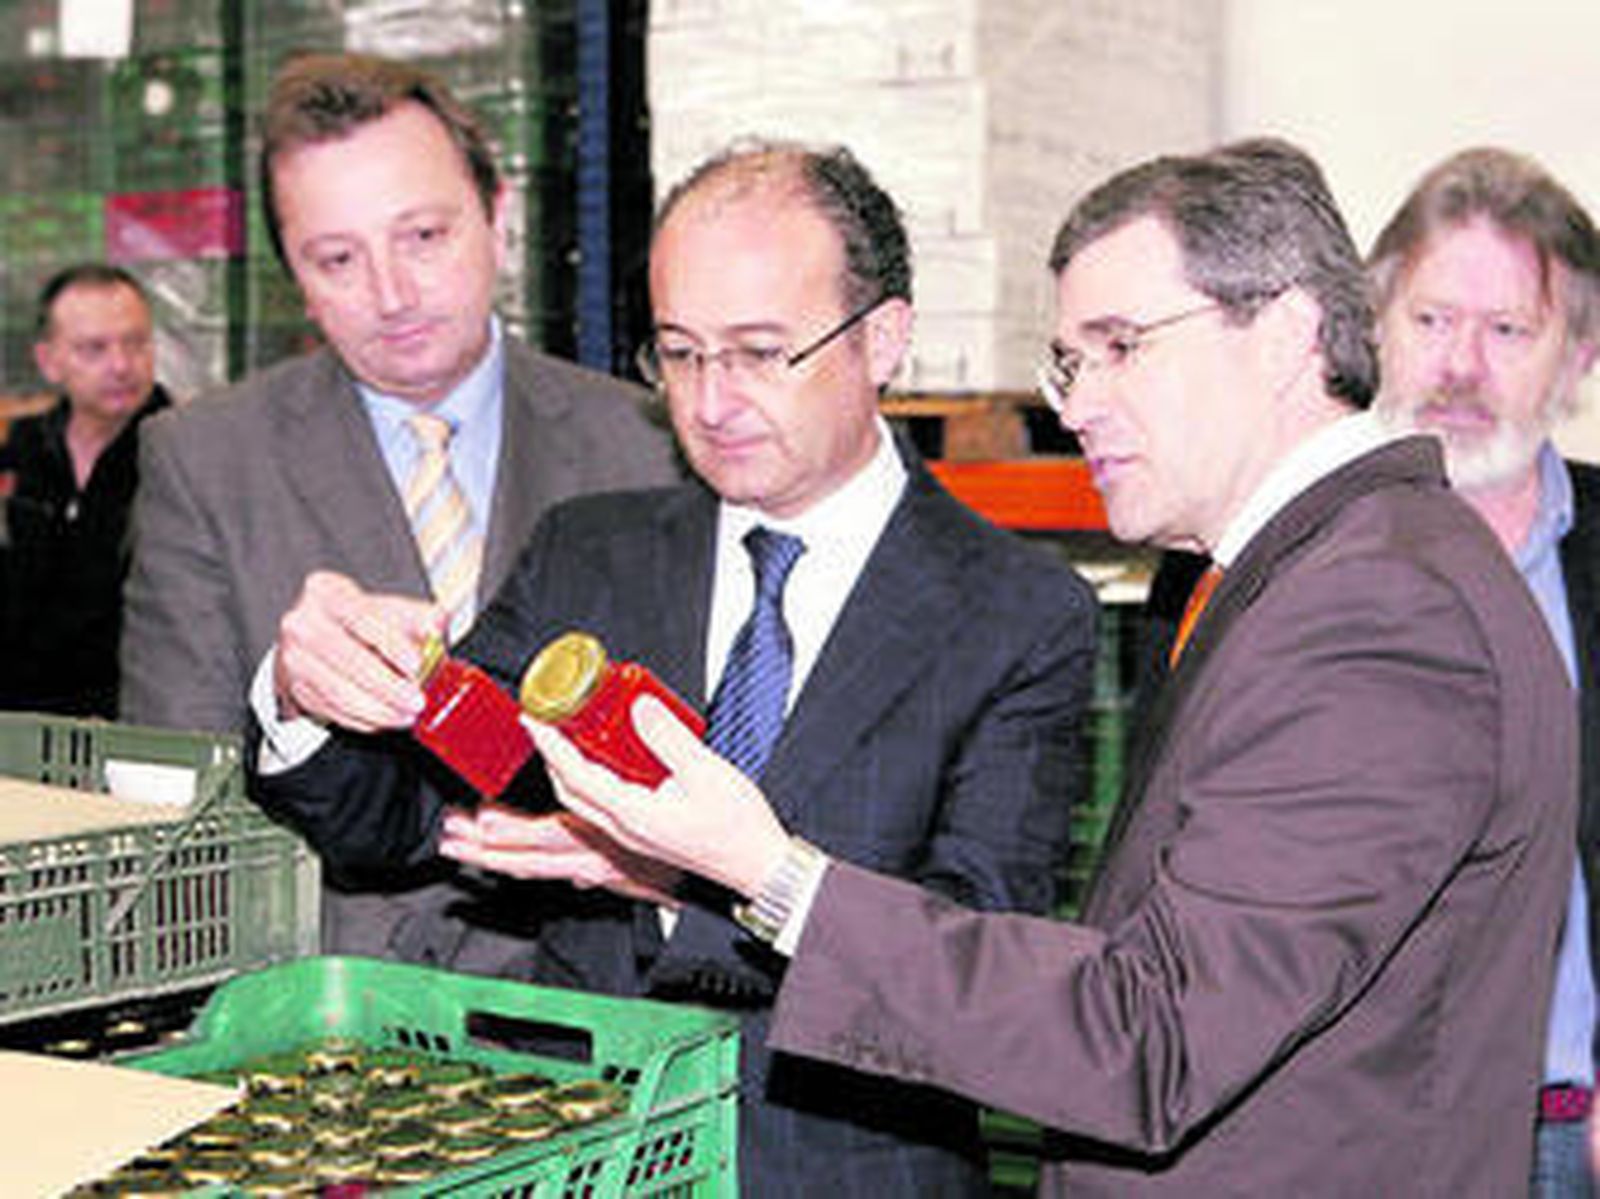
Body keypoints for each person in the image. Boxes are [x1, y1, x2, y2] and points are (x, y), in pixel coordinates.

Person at [526, 138, 1579, 1196]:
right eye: (1069, 362)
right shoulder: (1308, 573)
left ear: (1288, 332)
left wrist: (768, 870)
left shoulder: (1377, 612)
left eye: (1121, 346)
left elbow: (1150, 1036)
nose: (1076, 406)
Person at [251, 140, 1098, 1195]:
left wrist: (692, 877)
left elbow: (972, 958)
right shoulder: (590, 554)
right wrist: (308, 692)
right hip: (580, 1155)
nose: (711, 400)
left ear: (882, 338)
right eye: (680, 352)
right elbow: (408, 810)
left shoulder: (1014, 612)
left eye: (757, 351)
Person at [118, 53, 677, 957]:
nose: (391, 294)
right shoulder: (204, 461)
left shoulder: (649, 444)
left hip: (615, 1010)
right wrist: (287, 701)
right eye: (337, 258)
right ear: (293, 276)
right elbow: (174, 804)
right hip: (337, 1019)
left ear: (500, 218)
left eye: (423, 236)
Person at [1367, 147, 1600, 1198]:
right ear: (1375, 325)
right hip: (1339, 1140)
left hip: (1565, 1140)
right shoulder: (1272, 553)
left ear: (1579, 356)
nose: (1459, 366)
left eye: (1507, 330)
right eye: (1429, 320)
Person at [0, 264, 171, 716]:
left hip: (132, 723)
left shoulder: (182, 455)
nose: (120, 365)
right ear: (48, 361)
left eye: (135, 343)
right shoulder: (22, 450)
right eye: (93, 349)